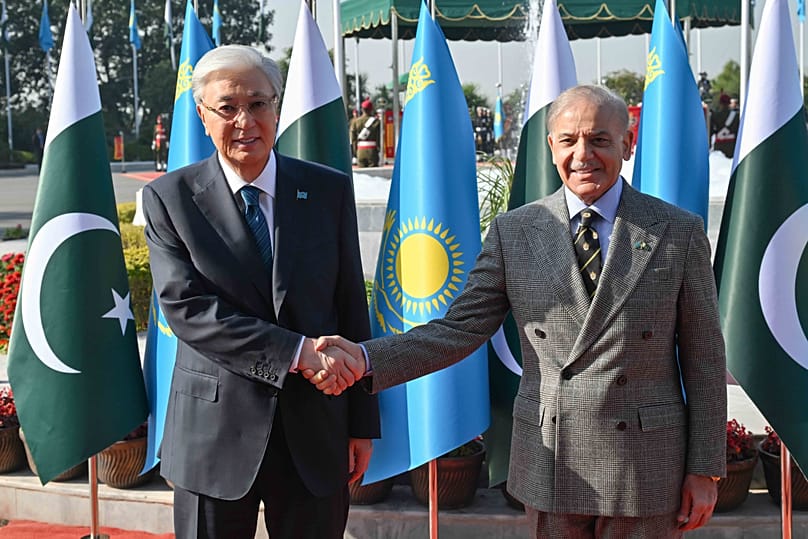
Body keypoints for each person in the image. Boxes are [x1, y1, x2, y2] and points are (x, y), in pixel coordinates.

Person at [311, 85, 727, 538]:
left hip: (646, 464)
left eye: (599, 140)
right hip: (554, 457)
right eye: (568, 140)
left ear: (627, 145)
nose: (583, 154)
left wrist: (705, 469)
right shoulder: (516, 231)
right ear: (551, 149)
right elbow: (459, 330)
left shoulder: (677, 231)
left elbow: (704, 360)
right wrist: (366, 358)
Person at [141, 45, 380, 539]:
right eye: (227, 107)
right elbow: (189, 310)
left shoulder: (328, 191)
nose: (245, 120)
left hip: (315, 431)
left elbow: (350, 306)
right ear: (203, 115)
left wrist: (361, 423)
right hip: (213, 435)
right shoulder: (169, 199)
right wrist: (296, 353)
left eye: (258, 103)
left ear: (278, 107)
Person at [350, 99, 380, 167]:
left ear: (362, 109)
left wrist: (355, 152)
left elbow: (353, 139)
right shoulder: (376, 122)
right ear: (371, 109)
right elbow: (379, 138)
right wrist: (378, 150)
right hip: (372, 151)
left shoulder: (355, 122)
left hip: (360, 150)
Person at [710, 93, 739, 158]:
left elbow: (711, 132)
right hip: (732, 147)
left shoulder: (715, 116)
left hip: (719, 146)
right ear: (729, 103)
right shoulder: (736, 116)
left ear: (720, 103)